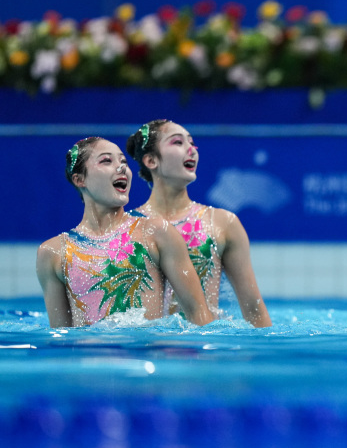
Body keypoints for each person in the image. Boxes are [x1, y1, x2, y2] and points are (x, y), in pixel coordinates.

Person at [36, 137, 216, 327]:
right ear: (80, 179)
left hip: (148, 354)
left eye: (123, 161)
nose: (121, 168)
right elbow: (61, 338)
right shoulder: (54, 253)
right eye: (106, 161)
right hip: (87, 355)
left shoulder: (156, 233)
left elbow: (199, 314)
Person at [126, 120, 271, 327]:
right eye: (178, 142)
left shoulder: (223, 223)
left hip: (203, 347)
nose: (191, 150)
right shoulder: (128, 227)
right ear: (151, 160)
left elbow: (254, 311)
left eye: (193, 144)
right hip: (148, 347)